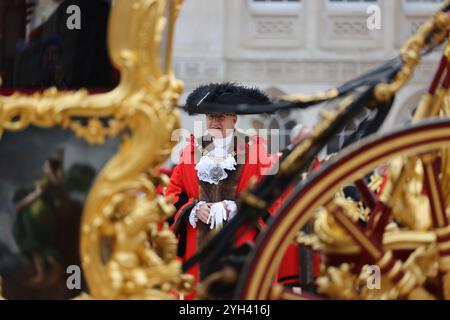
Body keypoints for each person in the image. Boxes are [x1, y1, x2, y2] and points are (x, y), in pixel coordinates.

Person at [166, 83, 275, 288]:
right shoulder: (190, 150)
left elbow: (271, 193)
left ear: (234, 119)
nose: (214, 122)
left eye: (221, 117)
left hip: (241, 239)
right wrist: (193, 209)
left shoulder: (255, 150)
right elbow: (173, 193)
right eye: (210, 117)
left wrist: (236, 207)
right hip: (196, 245)